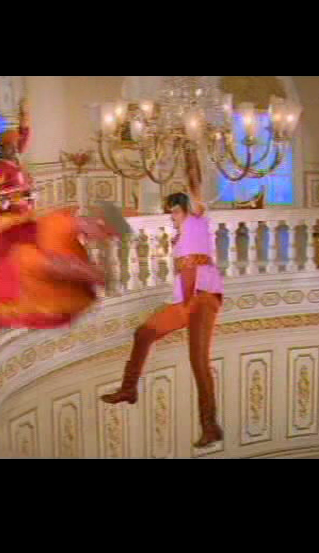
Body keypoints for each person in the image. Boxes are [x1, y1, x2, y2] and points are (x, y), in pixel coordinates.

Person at [100, 192, 224, 448]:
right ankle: (129, 389)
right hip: (186, 302)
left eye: (176, 211)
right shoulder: (182, 235)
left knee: (199, 361)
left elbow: (196, 191)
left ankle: (210, 426)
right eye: (170, 212)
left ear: (187, 210)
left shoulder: (197, 222)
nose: (172, 216)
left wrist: (191, 171)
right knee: (143, 333)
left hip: (203, 299)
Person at [0, 99, 34, 217]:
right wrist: (16, 199)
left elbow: (25, 135)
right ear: (1, 149)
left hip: (22, 211)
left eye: (15, 146)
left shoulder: (14, 160)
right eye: (10, 146)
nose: (14, 149)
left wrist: (24, 114)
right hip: (7, 216)